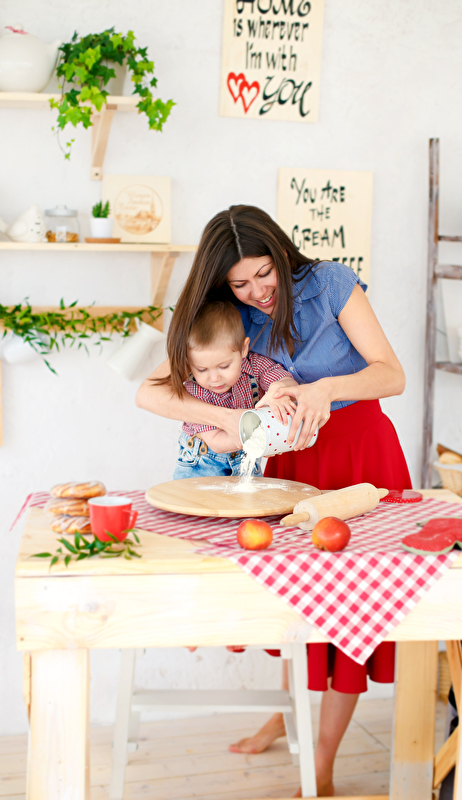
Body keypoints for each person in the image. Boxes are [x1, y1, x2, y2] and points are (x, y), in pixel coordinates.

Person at [137, 204, 412, 796]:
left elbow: (392, 374)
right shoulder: (230, 316)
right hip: (287, 462)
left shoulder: (331, 283)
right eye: (240, 283)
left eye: (265, 273)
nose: (258, 292)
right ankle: (289, 718)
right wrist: (228, 421)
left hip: (358, 453)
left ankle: (322, 764)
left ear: (282, 254)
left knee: (349, 614)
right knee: (297, 604)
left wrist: (325, 389)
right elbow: (152, 392)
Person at [171, 299, 298, 480]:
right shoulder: (193, 390)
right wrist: (261, 437)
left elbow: (284, 380)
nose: (214, 378)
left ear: (243, 348)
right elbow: (216, 442)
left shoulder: (256, 366)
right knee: (195, 500)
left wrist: (280, 392)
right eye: (202, 369)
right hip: (201, 468)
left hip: (246, 462)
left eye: (224, 366)